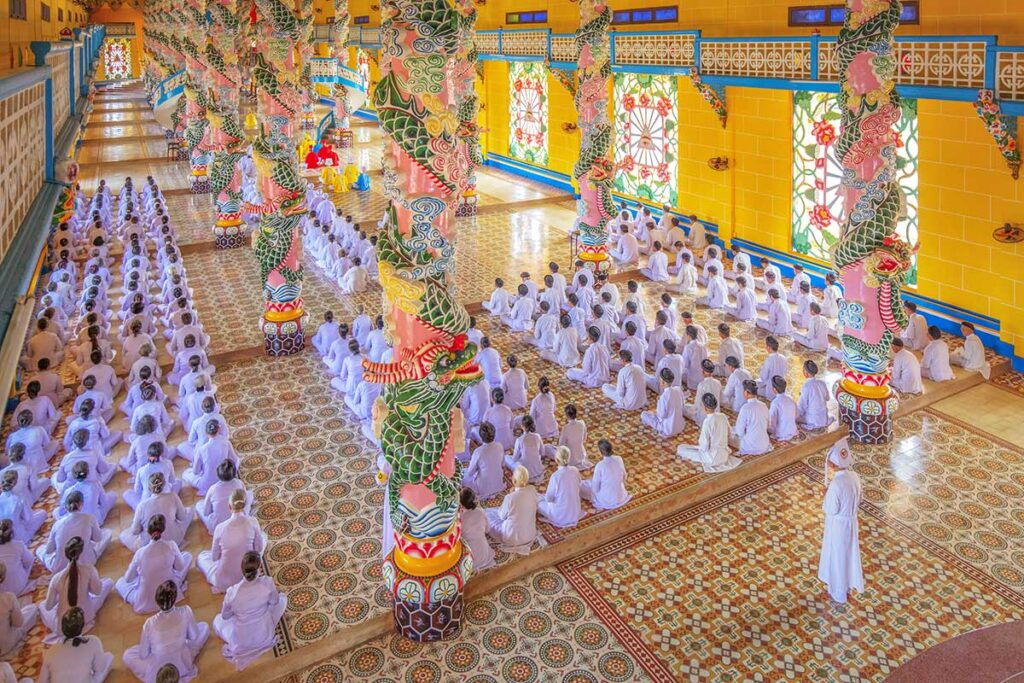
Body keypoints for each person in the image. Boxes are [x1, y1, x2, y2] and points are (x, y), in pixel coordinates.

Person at [122, 580, 209, 682]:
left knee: (128, 655)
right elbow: (194, 637)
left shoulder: (150, 623)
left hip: (158, 669)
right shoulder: (186, 611)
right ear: (175, 598)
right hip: (182, 663)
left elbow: (143, 654)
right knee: (204, 626)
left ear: (157, 601)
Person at [213, 551, 286, 670]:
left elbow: (225, 616)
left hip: (242, 641)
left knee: (217, 620)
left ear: (242, 569)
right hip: (266, 635)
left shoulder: (232, 593)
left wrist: (241, 612)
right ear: (259, 567)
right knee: (282, 599)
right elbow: (274, 602)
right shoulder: (267, 583)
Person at [40, 537, 114, 643]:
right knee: (108, 582)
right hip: (86, 617)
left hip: (62, 625)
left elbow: (48, 606)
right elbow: (97, 592)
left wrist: (60, 597)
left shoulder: (56, 578)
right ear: (82, 552)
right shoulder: (89, 570)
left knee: (41, 605)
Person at [116, 514, 192, 614]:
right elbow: (180, 567)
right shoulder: (171, 545)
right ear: (164, 529)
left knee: (119, 583)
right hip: (170, 593)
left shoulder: (140, 553)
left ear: (147, 531)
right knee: (187, 556)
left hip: (145, 601)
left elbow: (128, 579)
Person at [817, 438, 863, 603]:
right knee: (848, 554)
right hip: (851, 522)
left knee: (837, 557)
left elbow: (830, 509)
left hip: (838, 525)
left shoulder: (836, 484)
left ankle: (838, 592)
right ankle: (847, 585)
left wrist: (826, 495)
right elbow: (860, 499)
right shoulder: (854, 476)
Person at [198, 490, 267, 594]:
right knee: (263, 536)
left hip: (224, 581)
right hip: (249, 574)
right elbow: (258, 549)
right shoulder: (252, 521)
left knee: (202, 557)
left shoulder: (220, 528)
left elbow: (214, 557)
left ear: (229, 507)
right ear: (244, 506)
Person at [36, 607, 114, 683]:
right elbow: (100, 667)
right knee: (109, 656)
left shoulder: (51, 650)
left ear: (63, 629)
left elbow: (42, 681)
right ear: (83, 626)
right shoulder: (93, 641)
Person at [121, 473, 194, 551]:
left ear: (149, 488)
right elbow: (182, 517)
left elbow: (135, 531)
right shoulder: (173, 496)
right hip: (174, 541)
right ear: (165, 484)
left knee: (124, 534)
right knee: (190, 511)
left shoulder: (142, 506)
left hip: (148, 546)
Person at [677, 394, 741, 473]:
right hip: (724, 455)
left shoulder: (707, 422)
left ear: (705, 408)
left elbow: (704, 446)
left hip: (711, 458)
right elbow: (730, 434)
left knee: (681, 448)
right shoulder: (723, 416)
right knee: (691, 448)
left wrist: (698, 447)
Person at [485, 465, 538, 555]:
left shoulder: (510, 498)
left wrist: (511, 496)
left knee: (487, 513)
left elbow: (501, 516)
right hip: (530, 534)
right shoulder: (533, 490)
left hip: (512, 537)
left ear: (514, 480)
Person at [198, 461, 252, 535]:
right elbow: (245, 502)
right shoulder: (239, 483)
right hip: (240, 522)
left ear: (218, 474)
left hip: (219, 528)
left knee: (198, 505)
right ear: (234, 473)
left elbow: (206, 512)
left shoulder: (213, 489)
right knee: (249, 494)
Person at [536, 446, 584, 528]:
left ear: (557, 460)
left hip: (559, 515)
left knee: (536, 501)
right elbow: (579, 485)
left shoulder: (556, 476)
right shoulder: (575, 470)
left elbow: (549, 499)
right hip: (575, 512)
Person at [0, 562, 37, 658]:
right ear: (2, 579)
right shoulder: (8, 598)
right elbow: (18, 623)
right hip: (6, 645)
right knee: (32, 609)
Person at [581, 440, 630, 511]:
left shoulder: (600, 465)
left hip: (606, 499)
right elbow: (624, 476)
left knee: (583, 486)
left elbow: (595, 488)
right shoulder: (619, 459)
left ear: (600, 452)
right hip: (621, 495)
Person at [462, 423, 505, 500]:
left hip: (483, 488)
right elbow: (503, 464)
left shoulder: (478, 452)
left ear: (481, 436)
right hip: (498, 483)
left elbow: (470, 473)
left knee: (462, 475)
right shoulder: (500, 446)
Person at [640, 368, 687, 437]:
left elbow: (661, 415)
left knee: (644, 414)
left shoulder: (664, 397)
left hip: (667, 429)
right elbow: (682, 404)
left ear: (662, 382)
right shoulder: (678, 389)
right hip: (680, 426)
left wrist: (659, 402)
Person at [0, 471, 46, 541]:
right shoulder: (19, 498)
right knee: (42, 513)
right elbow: (28, 518)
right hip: (21, 536)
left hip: (3, 536)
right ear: (15, 483)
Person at [543, 404, 591, 470]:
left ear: (567, 415)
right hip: (581, 454)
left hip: (569, 457)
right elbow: (584, 438)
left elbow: (561, 446)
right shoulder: (582, 423)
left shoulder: (566, 428)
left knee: (547, 447)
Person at [731, 380, 771, 456]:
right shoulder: (764, 405)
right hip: (764, 444)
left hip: (749, 446)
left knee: (730, 434)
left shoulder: (745, 408)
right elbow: (768, 425)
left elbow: (739, 432)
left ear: (746, 392)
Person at [460, 489, 494, 572]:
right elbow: (487, 529)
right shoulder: (481, 512)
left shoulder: (460, 518)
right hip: (484, 554)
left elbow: (458, 538)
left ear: (461, 504)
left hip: (469, 558)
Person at [682, 359, 722, 427]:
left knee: (684, 408)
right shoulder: (718, 383)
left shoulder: (702, 385)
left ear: (702, 371)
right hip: (716, 414)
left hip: (703, 417)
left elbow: (697, 406)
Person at [506, 416, 544, 483]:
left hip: (525, 473)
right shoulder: (537, 436)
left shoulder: (520, 440)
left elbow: (515, 459)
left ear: (522, 426)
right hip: (538, 471)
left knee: (506, 458)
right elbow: (542, 453)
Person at [797, 360, 832, 430]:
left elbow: (801, 407)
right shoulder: (822, 383)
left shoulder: (806, 387)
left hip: (812, 420)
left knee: (794, 415)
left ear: (806, 373)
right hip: (823, 418)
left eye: (803, 370)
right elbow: (827, 398)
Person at [768, 376, 799, 441]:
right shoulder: (791, 398)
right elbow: (796, 415)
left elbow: (772, 423)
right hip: (793, 430)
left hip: (781, 433)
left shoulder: (775, 403)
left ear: (774, 389)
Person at [681, 325, 709, 390]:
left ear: (688, 336)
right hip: (703, 377)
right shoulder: (703, 346)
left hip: (692, 381)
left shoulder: (688, 347)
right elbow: (706, 360)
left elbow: (685, 364)